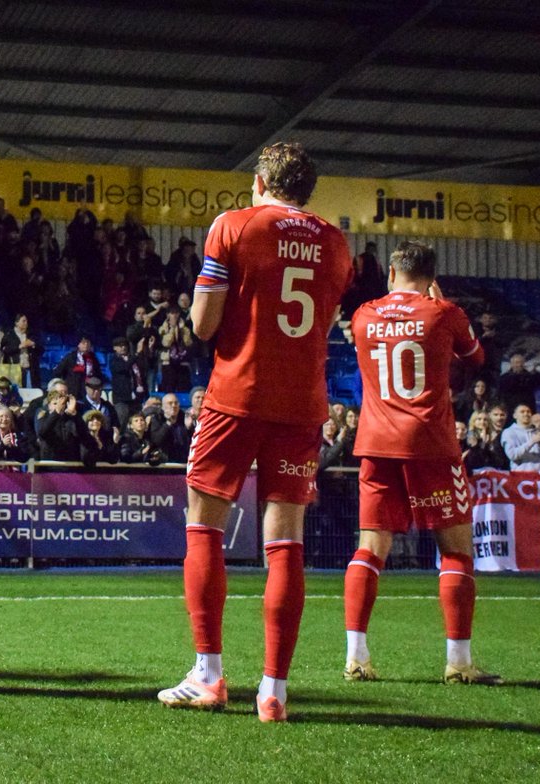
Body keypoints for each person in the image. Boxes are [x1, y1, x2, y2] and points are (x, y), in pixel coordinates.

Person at [157, 142, 352, 723]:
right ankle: (275, 691)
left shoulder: (234, 226)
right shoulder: (337, 244)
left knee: (204, 523)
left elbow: (203, 324)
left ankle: (210, 676)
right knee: (285, 539)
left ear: (262, 179)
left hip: (237, 395)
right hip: (303, 403)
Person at [343, 240, 499, 686]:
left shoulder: (364, 314)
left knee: (370, 549)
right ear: (431, 277)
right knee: (454, 550)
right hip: (431, 443)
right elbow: (477, 358)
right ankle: (459, 663)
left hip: (376, 443)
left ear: (391, 273)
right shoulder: (445, 313)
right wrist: (440, 303)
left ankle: (356, 657)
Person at [501, 403, 540, 471]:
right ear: (515, 415)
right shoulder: (508, 432)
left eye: (528, 411)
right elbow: (513, 455)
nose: (526, 414)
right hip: (521, 477)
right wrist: (532, 442)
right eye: (522, 412)